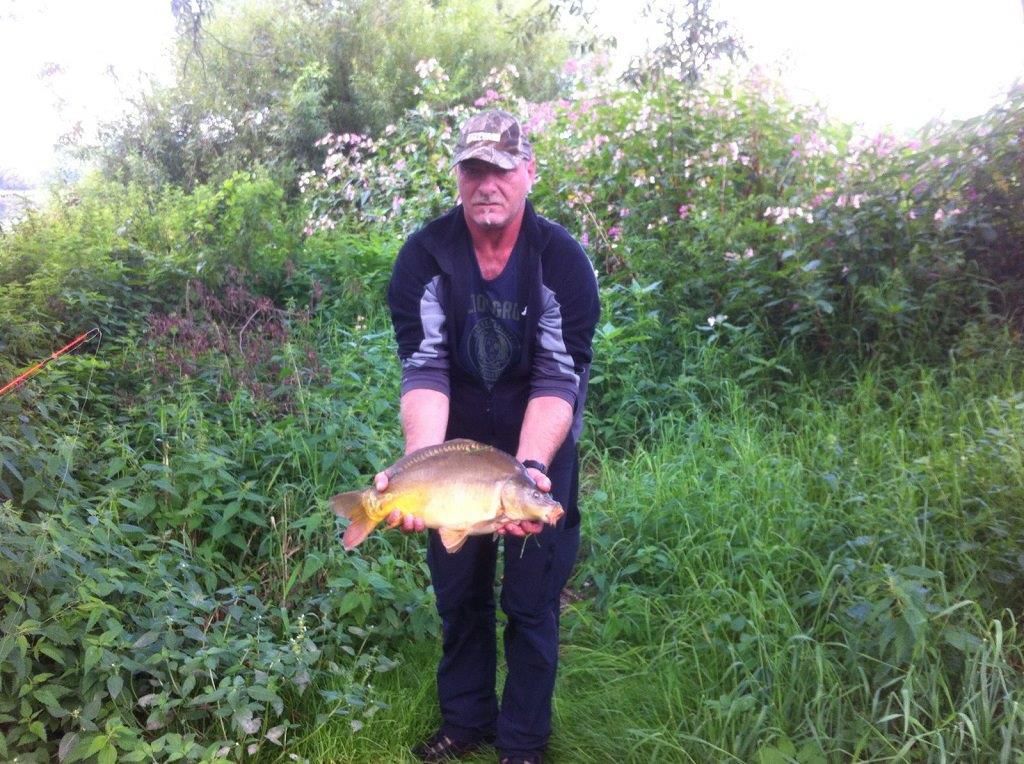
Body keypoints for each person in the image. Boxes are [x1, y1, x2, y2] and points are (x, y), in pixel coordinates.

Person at [375, 109, 600, 764]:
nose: (487, 184)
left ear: (528, 172)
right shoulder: (424, 257)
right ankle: (466, 720)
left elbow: (558, 378)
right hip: (455, 446)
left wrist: (530, 469)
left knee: (531, 602)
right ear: (458, 176)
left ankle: (523, 743)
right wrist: (417, 468)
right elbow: (425, 369)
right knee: (458, 594)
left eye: (500, 169)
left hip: (538, 443)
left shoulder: (561, 262)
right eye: (473, 170)